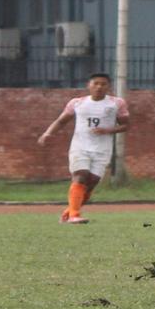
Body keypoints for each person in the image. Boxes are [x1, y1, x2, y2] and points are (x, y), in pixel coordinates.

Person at [37, 72, 130, 224]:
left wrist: (107, 130)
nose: (99, 87)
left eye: (103, 84)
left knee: (91, 182)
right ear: (89, 85)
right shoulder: (77, 103)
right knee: (80, 175)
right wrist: (47, 133)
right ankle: (74, 215)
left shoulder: (116, 103)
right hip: (80, 147)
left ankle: (68, 212)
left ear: (109, 86)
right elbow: (61, 121)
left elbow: (126, 125)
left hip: (102, 150)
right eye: (96, 83)